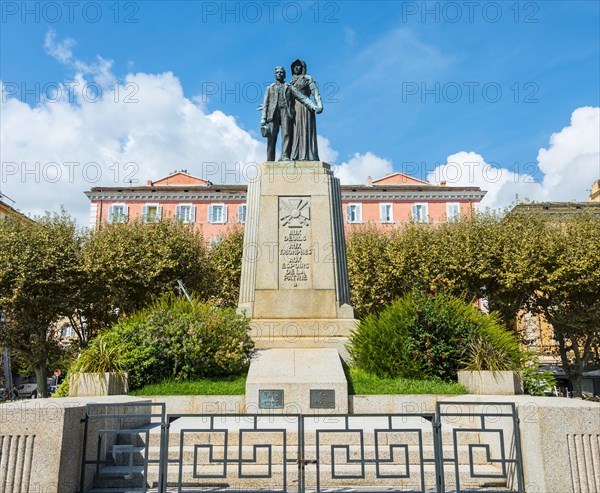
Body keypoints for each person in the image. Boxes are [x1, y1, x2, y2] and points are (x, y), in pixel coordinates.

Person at [261, 66, 316, 161]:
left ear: (285, 75)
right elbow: (266, 104)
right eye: (277, 72)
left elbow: (301, 97)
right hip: (273, 114)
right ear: (275, 75)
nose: (279, 74)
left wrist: (312, 105)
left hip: (286, 112)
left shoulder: (289, 87)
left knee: (286, 134)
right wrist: (263, 119)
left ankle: (285, 156)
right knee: (271, 137)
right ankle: (270, 159)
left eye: (281, 72)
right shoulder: (269, 88)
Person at [290, 58, 323, 161]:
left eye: (299, 65)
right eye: (295, 65)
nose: (296, 67)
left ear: (302, 67)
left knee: (306, 129)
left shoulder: (307, 78)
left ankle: (308, 155)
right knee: (295, 132)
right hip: (294, 108)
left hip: (306, 107)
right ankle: (296, 155)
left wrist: (319, 104)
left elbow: (315, 92)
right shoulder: (290, 82)